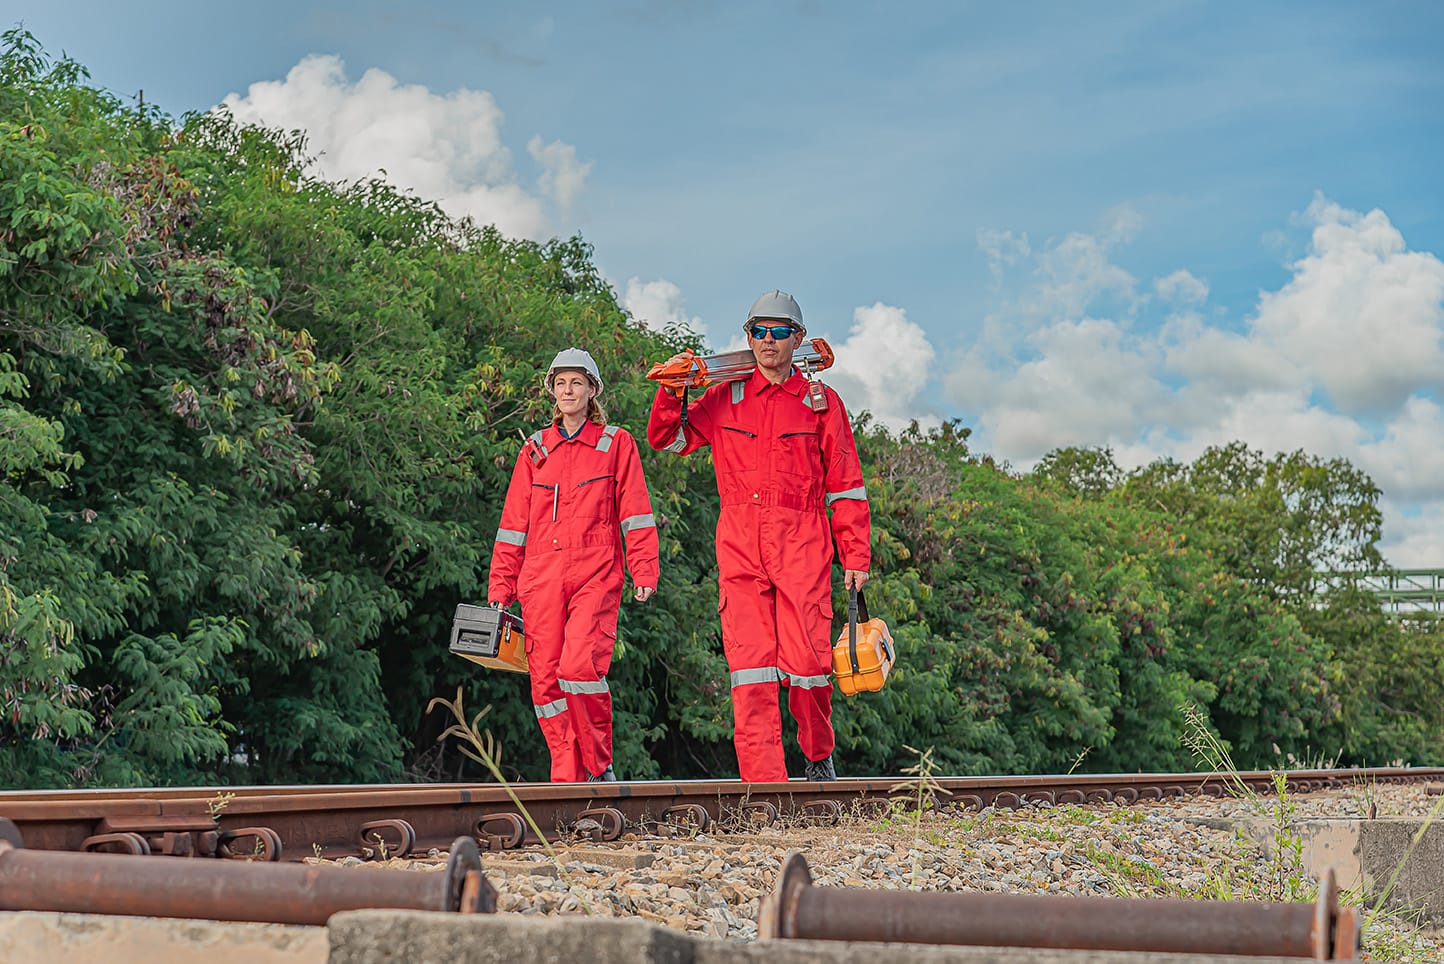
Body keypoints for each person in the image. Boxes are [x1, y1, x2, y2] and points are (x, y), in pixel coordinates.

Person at [647, 290, 870, 782]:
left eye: (780, 331)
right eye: (759, 331)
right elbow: (669, 439)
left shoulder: (821, 403)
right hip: (740, 546)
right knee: (750, 670)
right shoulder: (724, 396)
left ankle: (818, 755)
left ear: (798, 338)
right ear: (748, 337)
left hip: (802, 544)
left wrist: (856, 555)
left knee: (809, 664)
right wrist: (672, 390)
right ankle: (764, 787)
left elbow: (846, 484)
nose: (768, 340)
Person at [488, 348, 659, 782]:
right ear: (552, 391)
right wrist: (500, 588)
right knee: (546, 682)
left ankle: (598, 765)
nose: (568, 391)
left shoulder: (614, 444)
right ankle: (567, 779)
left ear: (592, 390)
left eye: (576, 383)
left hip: (595, 572)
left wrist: (644, 569)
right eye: (561, 383)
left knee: (579, 667)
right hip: (539, 577)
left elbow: (636, 512)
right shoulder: (535, 449)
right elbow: (513, 525)